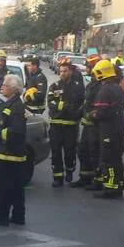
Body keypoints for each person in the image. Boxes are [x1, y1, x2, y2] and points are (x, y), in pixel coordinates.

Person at [0, 74, 28, 227]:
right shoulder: (13, 104)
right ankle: (18, 216)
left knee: (3, 189)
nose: (1, 87)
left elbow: (16, 132)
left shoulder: (15, 107)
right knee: (17, 188)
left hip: (8, 155)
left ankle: (2, 217)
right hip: (12, 154)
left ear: (12, 89)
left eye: (4, 85)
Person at [91, 60, 124, 199]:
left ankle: (110, 188)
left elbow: (102, 111)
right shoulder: (117, 88)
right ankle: (116, 185)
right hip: (117, 129)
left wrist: (93, 114)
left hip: (108, 130)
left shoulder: (105, 90)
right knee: (115, 158)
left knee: (108, 159)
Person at [47, 59, 85, 187]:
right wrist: (64, 106)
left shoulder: (78, 87)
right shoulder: (55, 86)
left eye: (65, 71)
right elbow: (51, 102)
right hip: (56, 125)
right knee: (56, 152)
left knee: (69, 152)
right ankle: (58, 177)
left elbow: (80, 105)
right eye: (61, 71)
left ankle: (69, 171)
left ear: (70, 72)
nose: (62, 73)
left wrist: (70, 109)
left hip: (70, 125)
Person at [71, 54, 102, 188]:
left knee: (94, 153)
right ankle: (84, 177)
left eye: (89, 66)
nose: (87, 68)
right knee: (83, 151)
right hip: (87, 125)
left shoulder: (100, 86)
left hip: (95, 126)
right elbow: (86, 102)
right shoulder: (93, 83)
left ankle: (97, 180)